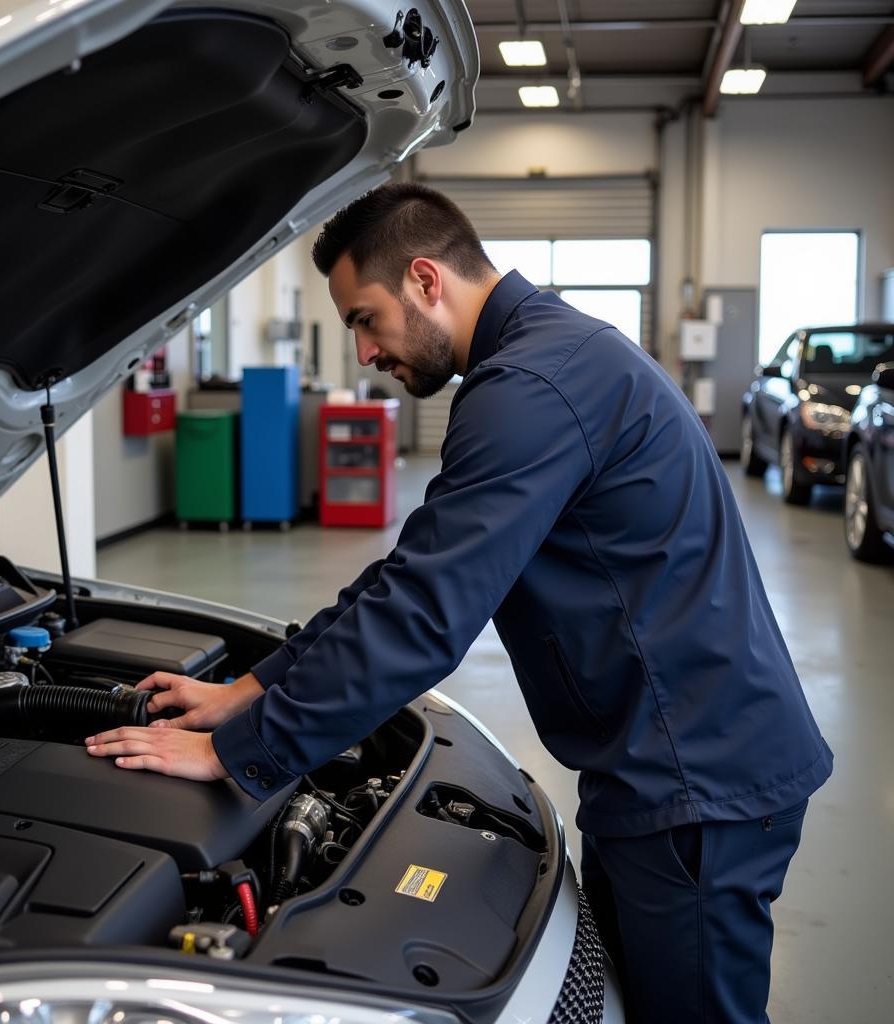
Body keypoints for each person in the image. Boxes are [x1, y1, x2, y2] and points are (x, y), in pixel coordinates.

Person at [86, 183, 832, 1022]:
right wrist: (250, 689)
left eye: (365, 318)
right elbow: (411, 571)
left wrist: (242, 753)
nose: (363, 353)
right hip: (669, 763)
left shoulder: (532, 388)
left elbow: (425, 613)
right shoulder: (551, 357)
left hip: (697, 780)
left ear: (425, 280)